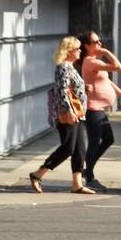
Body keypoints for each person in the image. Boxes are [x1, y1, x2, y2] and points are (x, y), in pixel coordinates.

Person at [29, 37, 95, 195]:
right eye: (77, 48)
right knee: (68, 148)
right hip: (67, 114)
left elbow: (71, 88)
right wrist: (69, 111)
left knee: (80, 149)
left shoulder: (70, 67)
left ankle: (77, 184)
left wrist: (84, 88)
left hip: (77, 113)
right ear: (69, 50)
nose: (80, 51)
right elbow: (61, 91)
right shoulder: (64, 67)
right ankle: (38, 174)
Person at [77, 31, 121, 192]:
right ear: (87, 46)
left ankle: (87, 169)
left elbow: (108, 82)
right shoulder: (90, 62)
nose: (100, 44)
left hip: (99, 110)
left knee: (108, 139)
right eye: (96, 42)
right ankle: (89, 176)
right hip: (93, 110)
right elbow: (118, 67)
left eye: (100, 41)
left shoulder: (95, 61)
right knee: (94, 143)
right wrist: (106, 52)